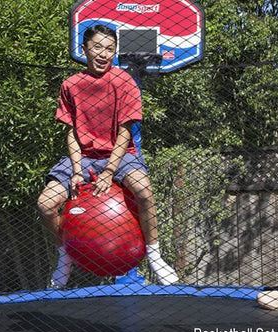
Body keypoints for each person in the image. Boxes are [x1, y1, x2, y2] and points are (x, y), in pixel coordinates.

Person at [37, 25, 179, 288]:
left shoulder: (123, 82)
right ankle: (65, 256)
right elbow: (71, 133)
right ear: (84, 50)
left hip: (120, 153)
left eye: (110, 49)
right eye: (97, 47)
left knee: (145, 192)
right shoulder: (71, 85)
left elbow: (125, 132)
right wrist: (77, 171)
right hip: (83, 156)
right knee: (45, 204)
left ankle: (154, 255)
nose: (103, 54)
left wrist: (109, 172)